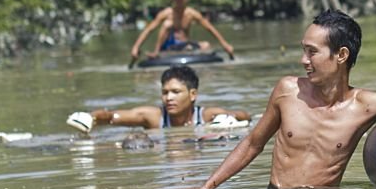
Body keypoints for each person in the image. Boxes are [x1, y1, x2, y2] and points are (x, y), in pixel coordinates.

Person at [181, 10, 376, 189]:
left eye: (312, 52)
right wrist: (207, 188)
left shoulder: (366, 104)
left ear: (341, 55)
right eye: (303, 50)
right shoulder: (287, 91)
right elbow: (253, 143)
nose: (303, 60)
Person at [66, 66, 251, 133]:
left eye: (176, 92)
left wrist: (231, 120)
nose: (168, 98)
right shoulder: (154, 118)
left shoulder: (206, 116)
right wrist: (91, 117)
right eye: (165, 92)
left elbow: (243, 115)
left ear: (193, 94)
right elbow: (112, 116)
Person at [131, 0, 235, 61]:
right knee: (167, 24)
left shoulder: (192, 14)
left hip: (184, 45)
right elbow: (149, 30)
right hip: (168, 46)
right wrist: (136, 47)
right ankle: (157, 52)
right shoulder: (166, 13)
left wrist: (225, 44)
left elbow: (210, 28)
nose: (179, 0)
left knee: (206, 45)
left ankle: (188, 50)